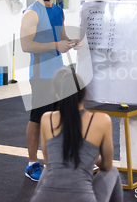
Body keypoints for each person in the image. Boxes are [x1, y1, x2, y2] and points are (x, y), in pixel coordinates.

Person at [20, 0, 82, 181]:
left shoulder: (58, 11)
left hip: (59, 75)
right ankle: (31, 163)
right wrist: (56, 44)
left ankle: (53, 161)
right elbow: (26, 45)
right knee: (37, 119)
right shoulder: (31, 12)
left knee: (57, 119)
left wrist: (73, 42)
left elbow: (62, 36)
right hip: (41, 75)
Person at [30, 67, 123, 202]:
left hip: (45, 198)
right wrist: (90, 155)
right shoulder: (102, 120)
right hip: (81, 197)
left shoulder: (47, 119)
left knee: (47, 171)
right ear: (84, 93)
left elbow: (49, 163)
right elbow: (107, 166)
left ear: (57, 95)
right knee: (113, 171)